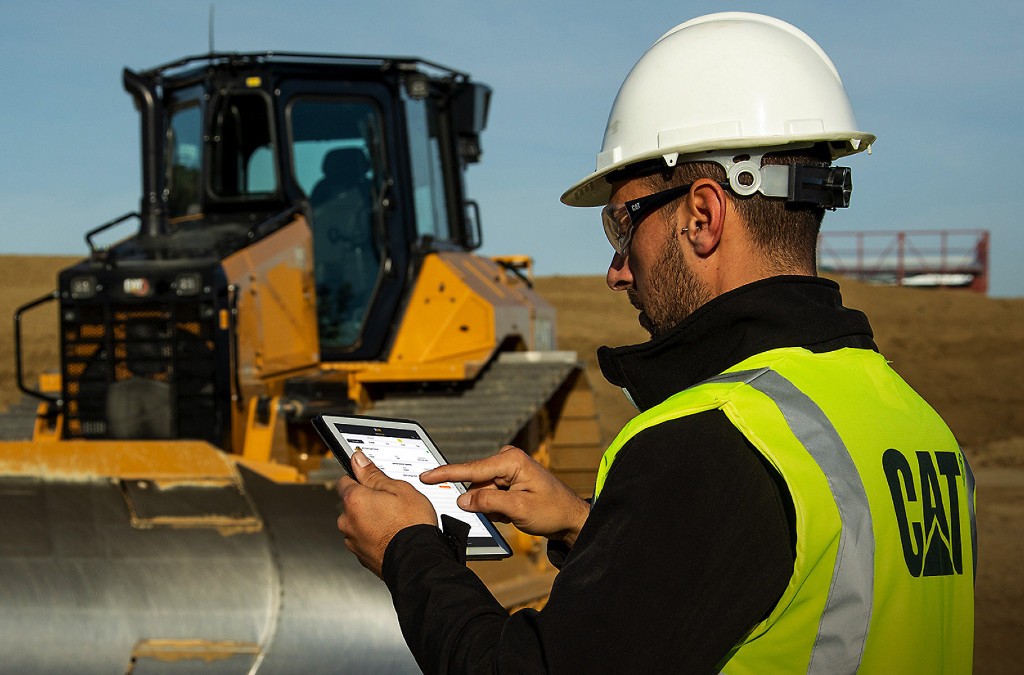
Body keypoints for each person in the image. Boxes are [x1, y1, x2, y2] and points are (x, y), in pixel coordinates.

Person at [336, 12, 976, 673]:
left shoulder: (711, 440)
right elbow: (779, 581)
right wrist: (588, 525)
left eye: (623, 225)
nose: (617, 269)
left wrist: (408, 547)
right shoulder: (916, 426)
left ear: (703, 216)